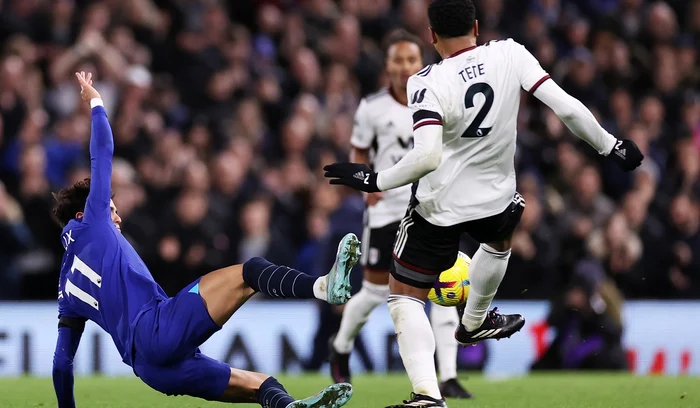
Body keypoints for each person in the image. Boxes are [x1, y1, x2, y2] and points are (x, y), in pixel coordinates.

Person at [324, 1, 643, 406]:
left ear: (432, 36)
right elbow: (564, 107)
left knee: (404, 296)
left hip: (439, 207)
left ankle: (426, 395)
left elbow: (426, 157)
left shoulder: (425, 82)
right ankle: (474, 321)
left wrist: (374, 179)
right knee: (499, 242)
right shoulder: (510, 52)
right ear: (476, 26)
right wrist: (610, 145)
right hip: (497, 199)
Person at [52, 72, 361, 408]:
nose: (117, 216)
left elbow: (62, 362)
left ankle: (291, 407)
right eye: (111, 209)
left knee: (261, 385)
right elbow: (103, 150)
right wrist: (96, 101)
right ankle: (323, 287)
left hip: (150, 370)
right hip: (157, 328)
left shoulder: (66, 287)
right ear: (83, 214)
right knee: (251, 271)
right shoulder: (94, 223)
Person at [327, 29, 471, 400]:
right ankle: (340, 345)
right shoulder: (372, 108)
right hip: (387, 209)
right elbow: (359, 150)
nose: (405, 66)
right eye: (398, 59)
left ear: (420, 61)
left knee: (439, 289)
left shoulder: (437, 93)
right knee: (376, 292)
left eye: (411, 59)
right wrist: (366, 189)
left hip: (431, 207)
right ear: (388, 65)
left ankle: (449, 375)